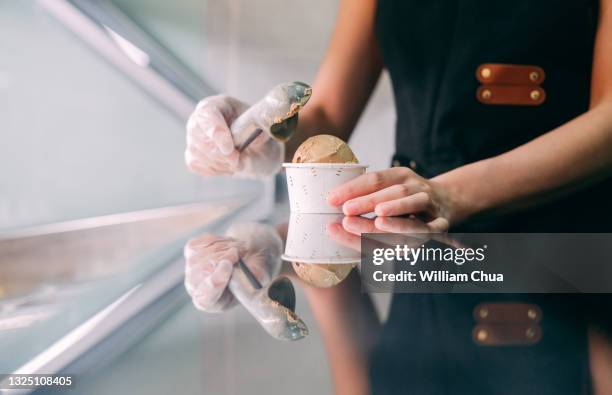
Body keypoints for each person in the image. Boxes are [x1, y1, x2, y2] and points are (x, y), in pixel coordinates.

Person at [184, 0, 612, 393]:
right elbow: (329, 113)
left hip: (569, 246)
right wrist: (262, 135)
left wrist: (450, 193)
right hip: (411, 235)